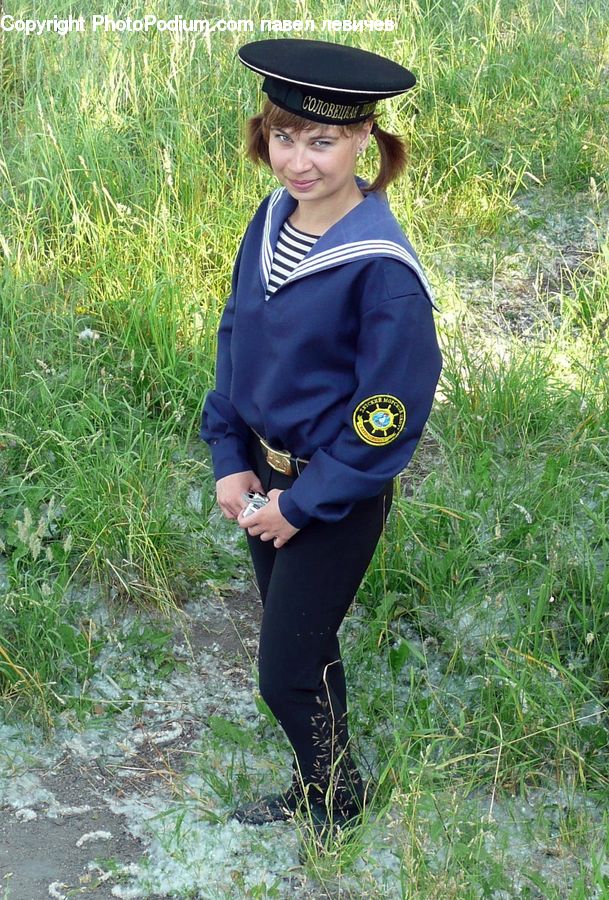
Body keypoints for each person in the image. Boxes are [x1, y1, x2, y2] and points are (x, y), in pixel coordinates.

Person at [199, 38, 442, 844]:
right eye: (283, 137)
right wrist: (231, 456)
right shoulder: (272, 220)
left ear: (365, 139)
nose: (297, 162)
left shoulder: (381, 268)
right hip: (267, 480)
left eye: (322, 140)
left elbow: (387, 413)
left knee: (284, 671)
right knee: (306, 644)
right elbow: (238, 337)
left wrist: (303, 503)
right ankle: (330, 782)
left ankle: (333, 802)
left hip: (332, 495)